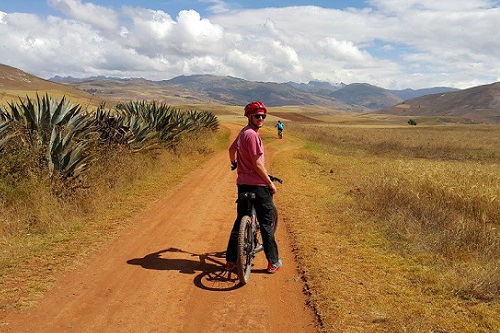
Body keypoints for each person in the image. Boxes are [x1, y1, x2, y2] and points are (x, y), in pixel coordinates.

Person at [225, 101, 283, 274]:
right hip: (258, 185)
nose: (261, 119)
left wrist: (234, 163)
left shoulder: (243, 133)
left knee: (240, 221)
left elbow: (231, 150)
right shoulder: (253, 136)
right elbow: (258, 164)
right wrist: (270, 183)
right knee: (266, 224)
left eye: (263, 116)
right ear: (249, 117)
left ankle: (231, 261)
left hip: (243, 184)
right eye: (257, 116)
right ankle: (273, 262)